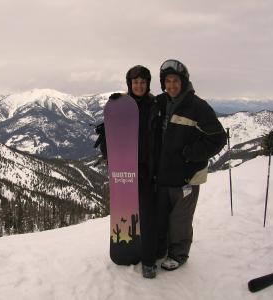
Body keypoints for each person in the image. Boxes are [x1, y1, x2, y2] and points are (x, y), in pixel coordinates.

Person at [155, 59, 227, 271]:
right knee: (163, 215)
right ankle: (162, 248)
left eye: (175, 81)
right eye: (167, 81)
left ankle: (178, 254)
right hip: (165, 172)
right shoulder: (160, 102)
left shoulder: (198, 107)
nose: (171, 85)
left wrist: (190, 155)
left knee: (180, 218)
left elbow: (218, 138)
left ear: (184, 82)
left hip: (187, 175)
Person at [94, 65, 161, 278]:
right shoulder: (123, 106)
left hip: (148, 169)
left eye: (143, 82)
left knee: (148, 216)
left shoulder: (156, 105)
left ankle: (148, 260)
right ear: (129, 84)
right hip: (126, 169)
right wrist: (114, 107)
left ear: (148, 84)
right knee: (127, 212)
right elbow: (112, 135)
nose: (139, 85)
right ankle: (129, 248)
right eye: (135, 82)